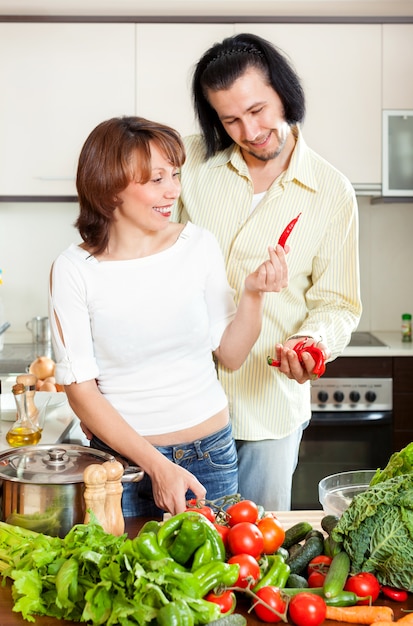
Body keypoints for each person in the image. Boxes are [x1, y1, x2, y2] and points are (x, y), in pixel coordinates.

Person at [48, 115, 289, 518]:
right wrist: (158, 467)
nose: (173, 190)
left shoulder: (197, 244)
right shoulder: (74, 268)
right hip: (120, 468)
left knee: (216, 580)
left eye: (175, 175)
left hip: (210, 456)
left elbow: (230, 353)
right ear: (109, 187)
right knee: (127, 579)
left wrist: (253, 295)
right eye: (156, 179)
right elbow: (80, 389)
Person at [172, 33, 362, 511]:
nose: (250, 130)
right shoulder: (188, 161)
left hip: (268, 409)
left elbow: (337, 303)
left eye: (258, 110)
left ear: (283, 91)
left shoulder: (331, 192)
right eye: (230, 119)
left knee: (255, 557)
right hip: (181, 408)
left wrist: (312, 343)